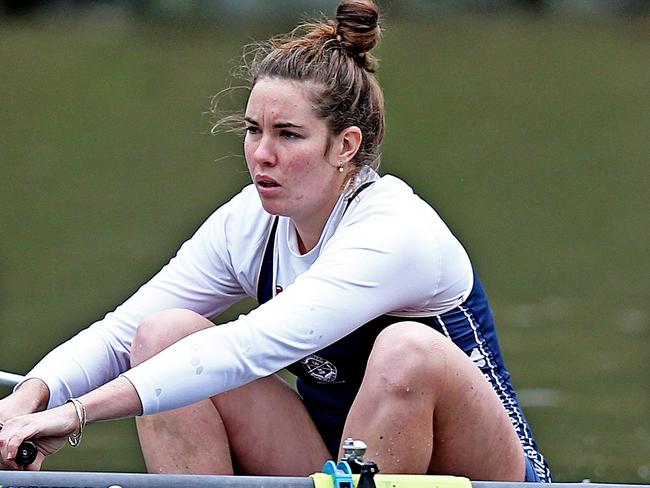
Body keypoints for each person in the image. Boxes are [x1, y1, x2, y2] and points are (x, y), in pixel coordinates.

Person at [0, 0, 551, 482]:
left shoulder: (395, 233)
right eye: (253, 130)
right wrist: (30, 400)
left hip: (485, 472)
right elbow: (120, 334)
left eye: (288, 135)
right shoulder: (251, 221)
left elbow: (243, 349)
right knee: (161, 335)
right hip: (334, 463)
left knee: (406, 351)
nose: (261, 154)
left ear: (345, 146)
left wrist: (73, 417)